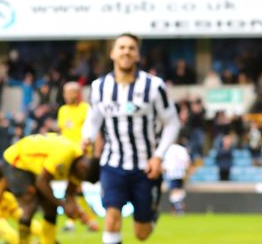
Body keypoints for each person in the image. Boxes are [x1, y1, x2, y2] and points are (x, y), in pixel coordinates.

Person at [82, 33, 180, 244]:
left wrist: (158, 157)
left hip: (146, 167)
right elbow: (93, 119)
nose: (126, 51)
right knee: (112, 218)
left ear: (137, 55)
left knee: (141, 234)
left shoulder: (154, 86)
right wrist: (86, 138)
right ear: (112, 53)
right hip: (112, 164)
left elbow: (172, 123)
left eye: (131, 48)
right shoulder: (99, 87)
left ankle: (151, 214)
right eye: (122, 47)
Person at [2, 132, 101, 244]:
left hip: (34, 169)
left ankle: (48, 242)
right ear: (83, 167)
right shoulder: (65, 154)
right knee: (30, 203)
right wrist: (63, 205)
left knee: (51, 207)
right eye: (82, 177)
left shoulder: (80, 168)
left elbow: (70, 195)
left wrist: (78, 212)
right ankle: (23, 242)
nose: (79, 179)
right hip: (17, 161)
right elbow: (42, 182)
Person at [57, 81, 100, 232]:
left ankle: (84, 220)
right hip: (67, 155)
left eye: (69, 93)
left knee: (75, 189)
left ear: (77, 93)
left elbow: (91, 132)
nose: (66, 96)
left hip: (81, 156)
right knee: (74, 190)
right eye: (65, 92)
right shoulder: (62, 110)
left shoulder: (85, 109)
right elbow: (63, 132)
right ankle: (80, 220)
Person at [162, 139, 191, 215]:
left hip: (172, 174)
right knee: (179, 191)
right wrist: (187, 172)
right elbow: (187, 162)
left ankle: (178, 209)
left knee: (174, 191)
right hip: (181, 173)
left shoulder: (167, 149)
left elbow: (165, 164)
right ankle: (177, 208)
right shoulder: (182, 149)